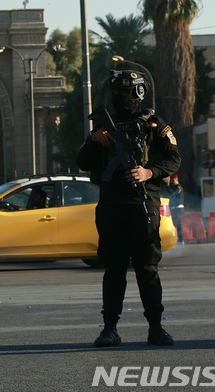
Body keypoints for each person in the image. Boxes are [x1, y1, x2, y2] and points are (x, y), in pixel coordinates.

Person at [77, 70, 181, 347]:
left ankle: (156, 327)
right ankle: (109, 328)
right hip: (111, 205)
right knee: (114, 269)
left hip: (142, 204)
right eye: (115, 93)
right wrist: (93, 140)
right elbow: (84, 163)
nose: (118, 98)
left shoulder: (154, 125)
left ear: (137, 93)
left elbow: (174, 160)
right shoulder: (103, 128)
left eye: (123, 94)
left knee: (147, 268)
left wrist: (149, 172)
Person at [163, 174, 185, 242]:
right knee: (176, 224)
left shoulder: (178, 188)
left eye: (173, 180)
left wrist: (167, 186)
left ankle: (180, 240)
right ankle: (179, 239)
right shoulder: (174, 187)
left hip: (178, 208)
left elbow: (172, 194)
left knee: (177, 223)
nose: (172, 182)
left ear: (176, 180)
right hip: (174, 208)